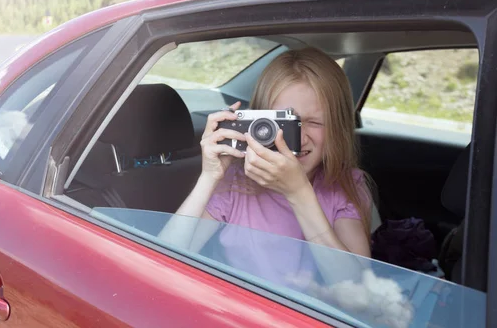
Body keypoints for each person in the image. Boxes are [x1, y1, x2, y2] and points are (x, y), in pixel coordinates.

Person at [160, 47, 373, 261]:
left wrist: (298, 192)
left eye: (314, 122)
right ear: (256, 121)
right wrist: (208, 178)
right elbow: (164, 263)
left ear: (338, 128)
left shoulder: (345, 186)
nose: (299, 139)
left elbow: (355, 293)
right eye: (284, 122)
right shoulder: (235, 184)